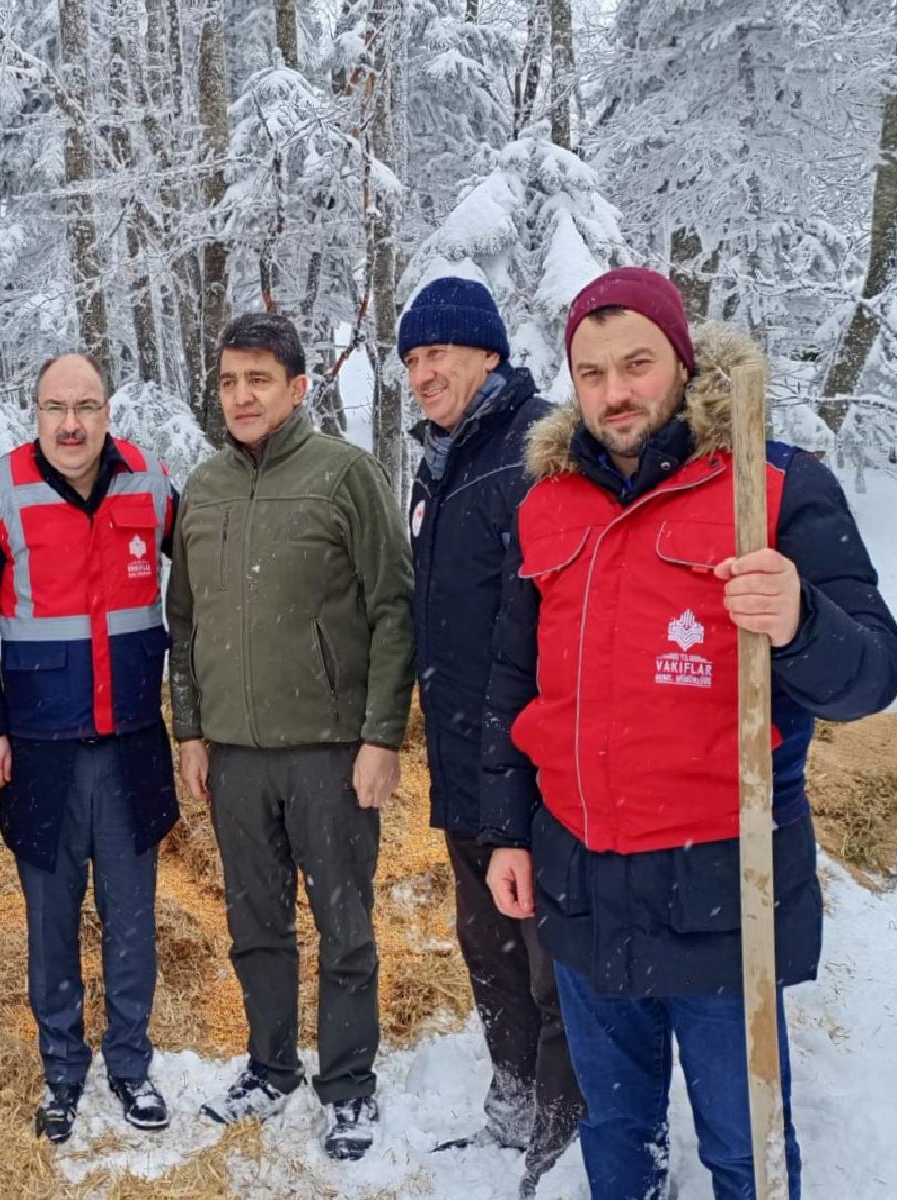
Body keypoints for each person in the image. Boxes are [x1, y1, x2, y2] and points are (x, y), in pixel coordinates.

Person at [481, 267, 897, 1200]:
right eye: (590, 374)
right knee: (617, 1135)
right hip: (582, 883)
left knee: (742, 1147)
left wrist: (800, 621)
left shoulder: (776, 486)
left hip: (725, 886)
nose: (614, 393)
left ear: (681, 360)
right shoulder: (545, 504)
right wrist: (506, 830)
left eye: (635, 365)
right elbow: (515, 684)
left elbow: (872, 675)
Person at [167, 312, 415, 1162]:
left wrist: (381, 737)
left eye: (258, 381)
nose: (240, 396)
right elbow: (184, 622)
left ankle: (347, 1084)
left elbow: (392, 609)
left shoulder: (345, 476)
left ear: (297, 388)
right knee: (255, 922)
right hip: (233, 758)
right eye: (229, 381)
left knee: (342, 923)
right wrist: (191, 732)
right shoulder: (200, 489)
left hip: (329, 753)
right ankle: (270, 1065)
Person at [0, 352, 179, 1144]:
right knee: (51, 921)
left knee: (131, 919)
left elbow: (206, 586)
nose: (72, 423)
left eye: (86, 405)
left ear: (108, 411)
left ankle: (129, 1063)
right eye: (56, 407)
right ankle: (61, 1071)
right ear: (35, 413)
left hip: (132, 747)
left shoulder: (151, 485)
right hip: (39, 751)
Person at [397, 277, 583, 1194]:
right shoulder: (442, 460)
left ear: (489, 356)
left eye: (438, 354)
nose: (422, 374)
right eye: (412, 360)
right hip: (465, 758)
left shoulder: (537, 449)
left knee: (552, 961)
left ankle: (562, 1139)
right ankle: (510, 1104)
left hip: (535, 764)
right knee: (487, 943)